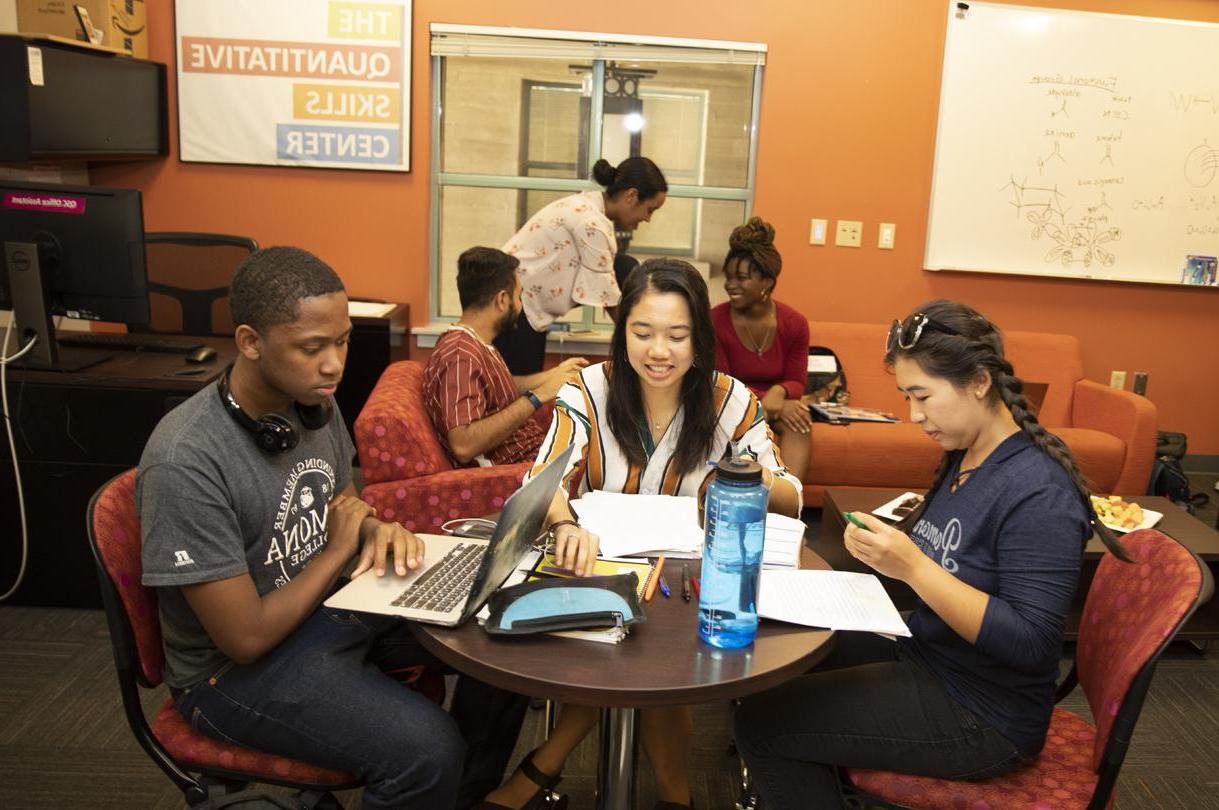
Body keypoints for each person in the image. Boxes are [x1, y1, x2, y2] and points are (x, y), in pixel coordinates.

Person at [137, 247, 527, 810]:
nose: (334, 365)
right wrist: (341, 546)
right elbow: (244, 638)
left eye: (341, 341)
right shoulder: (186, 460)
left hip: (328, 606)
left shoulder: (309, 401)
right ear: (250, 342)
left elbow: (340, 498)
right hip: (231, 676)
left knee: (503, 641)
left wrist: (373, 529)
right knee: (427, 751)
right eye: (312, 348)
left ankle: (456, 799)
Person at [732, 300, 1131, 809]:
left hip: (984, 713)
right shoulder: (969, 455)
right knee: (774, 655)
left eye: (922, 396)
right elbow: (951, 566)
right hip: (932, 655)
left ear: (980, 382)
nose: (914, 414)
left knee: (763, 725)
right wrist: (888, 554)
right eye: (907, 396)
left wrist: (913, 567)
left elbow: (1032, 642)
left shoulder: (1039, 492)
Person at [479, 259, 802, 810]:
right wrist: (563, 523)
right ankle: (677, 797)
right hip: (605, 567)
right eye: (643, 333)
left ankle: (542, 770)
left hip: (692, 581)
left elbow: (792, 495)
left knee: (655, 655)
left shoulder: (732, 402)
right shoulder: (589, 389)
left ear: (700, 337)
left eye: (677, 336)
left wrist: (745, 476)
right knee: (640, 656)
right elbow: (545, 479)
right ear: (621, 329)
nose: (659, 351)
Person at [495, 156, 669, 375]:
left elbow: (609, 281)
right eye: (650, 209)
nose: (647, 219)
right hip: (516, 310)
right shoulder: (592, 224)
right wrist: (637, 342)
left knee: (625, 265)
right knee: (518, 395)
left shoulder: (585, 206)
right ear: (631, 196)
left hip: (522, 308)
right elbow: (608, 296)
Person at [424, 246, 586, 466]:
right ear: (502, 300)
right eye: (519, 297)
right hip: (519, 474)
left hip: (536, 454)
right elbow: (464, 444)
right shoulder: (461, 355)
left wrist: (553, 376)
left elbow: (500, 388)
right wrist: (538, 396)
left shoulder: (476, 343)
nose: (521, 306)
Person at [712, 216, 812, 482]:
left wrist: (780, 393)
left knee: (799, 424)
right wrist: (766, 401)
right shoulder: (715, 321)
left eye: (741, 278)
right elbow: (722, 383)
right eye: (729, 277)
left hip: (774, 404)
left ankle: (789, 502)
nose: (730, 284)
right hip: (729, 403)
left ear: (766, 281)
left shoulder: (795, 323)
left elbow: (796, 380)